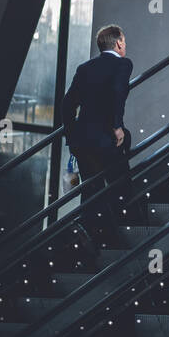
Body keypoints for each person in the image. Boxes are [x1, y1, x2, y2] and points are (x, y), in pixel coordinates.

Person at [61, 25, 134, 249]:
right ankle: (113, 238)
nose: (125, 45)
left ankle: (89, 237)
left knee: (92, 189)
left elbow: (67, 103)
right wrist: (117, 126)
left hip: (83, 141)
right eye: (124, 41)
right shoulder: (123, 63)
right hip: (106, 139)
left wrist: (73, 138)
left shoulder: (85, 68)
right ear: (119, 43)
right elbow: (117, 93)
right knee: (120, 185)